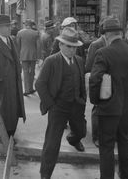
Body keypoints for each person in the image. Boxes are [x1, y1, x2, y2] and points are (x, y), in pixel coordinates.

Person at [35, 27, 87, 179]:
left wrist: (82, 100)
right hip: (58, 107)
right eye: (69, 46)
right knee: (52, 143)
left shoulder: (79, 61)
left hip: (76, 105)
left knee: (81, 131)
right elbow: (40, 84)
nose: (72, 50)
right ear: (60, 45)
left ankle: (73, 139)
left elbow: (81, 82)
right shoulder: (51, 61)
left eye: (75, 47)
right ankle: (45, 174)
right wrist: (51, 105)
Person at [89, 17, 128, 179]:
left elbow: (95, 80)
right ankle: (127, 176)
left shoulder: (103, 52)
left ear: (107, 35)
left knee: (107, 147)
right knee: (126, 145)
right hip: (127, 110)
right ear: (120, 33)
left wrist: (95, 101)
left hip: (108, 109)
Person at [0, 14, 26, 137]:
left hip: (15, 81)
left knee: (15, 109)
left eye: (9, 25)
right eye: (6, 26)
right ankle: (7, 136)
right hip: (5, 84)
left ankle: (11, 134)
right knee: (7, 111)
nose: (9, 28)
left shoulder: (12, 39)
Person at [85, 16, 108, 147]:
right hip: (99, 81)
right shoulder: (96, 44)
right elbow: (89, 66)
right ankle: (96, 136)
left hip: (111, 82)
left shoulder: (116, 42)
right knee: (97, 109)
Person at [16, 19, 40, 96]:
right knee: (32, 72)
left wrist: (18, 55)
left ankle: (26, 90)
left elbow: (18, 45)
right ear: (31, 25)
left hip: (23, 55)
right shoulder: (36, 33)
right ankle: (31, 88)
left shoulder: (20, 33)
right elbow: (38, 46)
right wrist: (38, 56)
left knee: (25, 72)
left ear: (25, 25)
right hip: (33, 55)